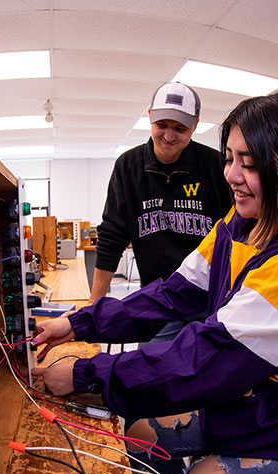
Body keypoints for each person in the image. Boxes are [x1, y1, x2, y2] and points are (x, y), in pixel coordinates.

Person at [32, 93, 278, 474]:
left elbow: (206, 359)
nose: (232, 175)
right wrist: (77, 322)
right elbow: (170, 295)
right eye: (229, 158)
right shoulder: (238, 225)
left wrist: (88, 374)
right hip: (248, 399)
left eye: (250, 163)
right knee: (139, 434)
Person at [90, 81, 233, 346]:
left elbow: (240, 231)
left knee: (205, 377)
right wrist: (94, 303)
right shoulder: (128, 167)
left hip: (210, 299)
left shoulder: (216, 165)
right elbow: (112, 235)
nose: (169, 136)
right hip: (158, 301)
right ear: (150, 117)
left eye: (180, 128)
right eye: (162, 125)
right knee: (152, 374)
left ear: (196, 124)